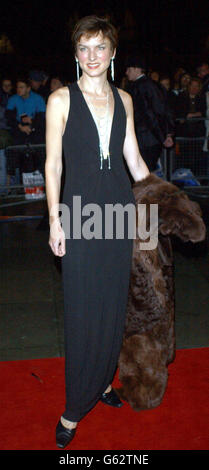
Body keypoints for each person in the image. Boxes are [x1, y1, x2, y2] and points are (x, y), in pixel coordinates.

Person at [45, 15, 149, 448]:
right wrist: (55, 218)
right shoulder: (60, 100)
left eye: (99, 47)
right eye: (84, 48)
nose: (92, 56)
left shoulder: (125, 99)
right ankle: (74, 408)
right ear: (75, 54)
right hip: (81, 212)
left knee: (113, 303)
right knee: (82, 309)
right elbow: (52, 165)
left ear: (112, 53)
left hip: (119, 211)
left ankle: (105, 380)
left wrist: (162, 211)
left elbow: (136, 163)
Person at [125, 55, 174, 172]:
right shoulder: (150, 85)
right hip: (148, 138)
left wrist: (164, 135)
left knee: (142, 172)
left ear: (137, 69)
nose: (127, 72)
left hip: (146, 139)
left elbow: (156, 112)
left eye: (129, 69)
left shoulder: (141, 87)